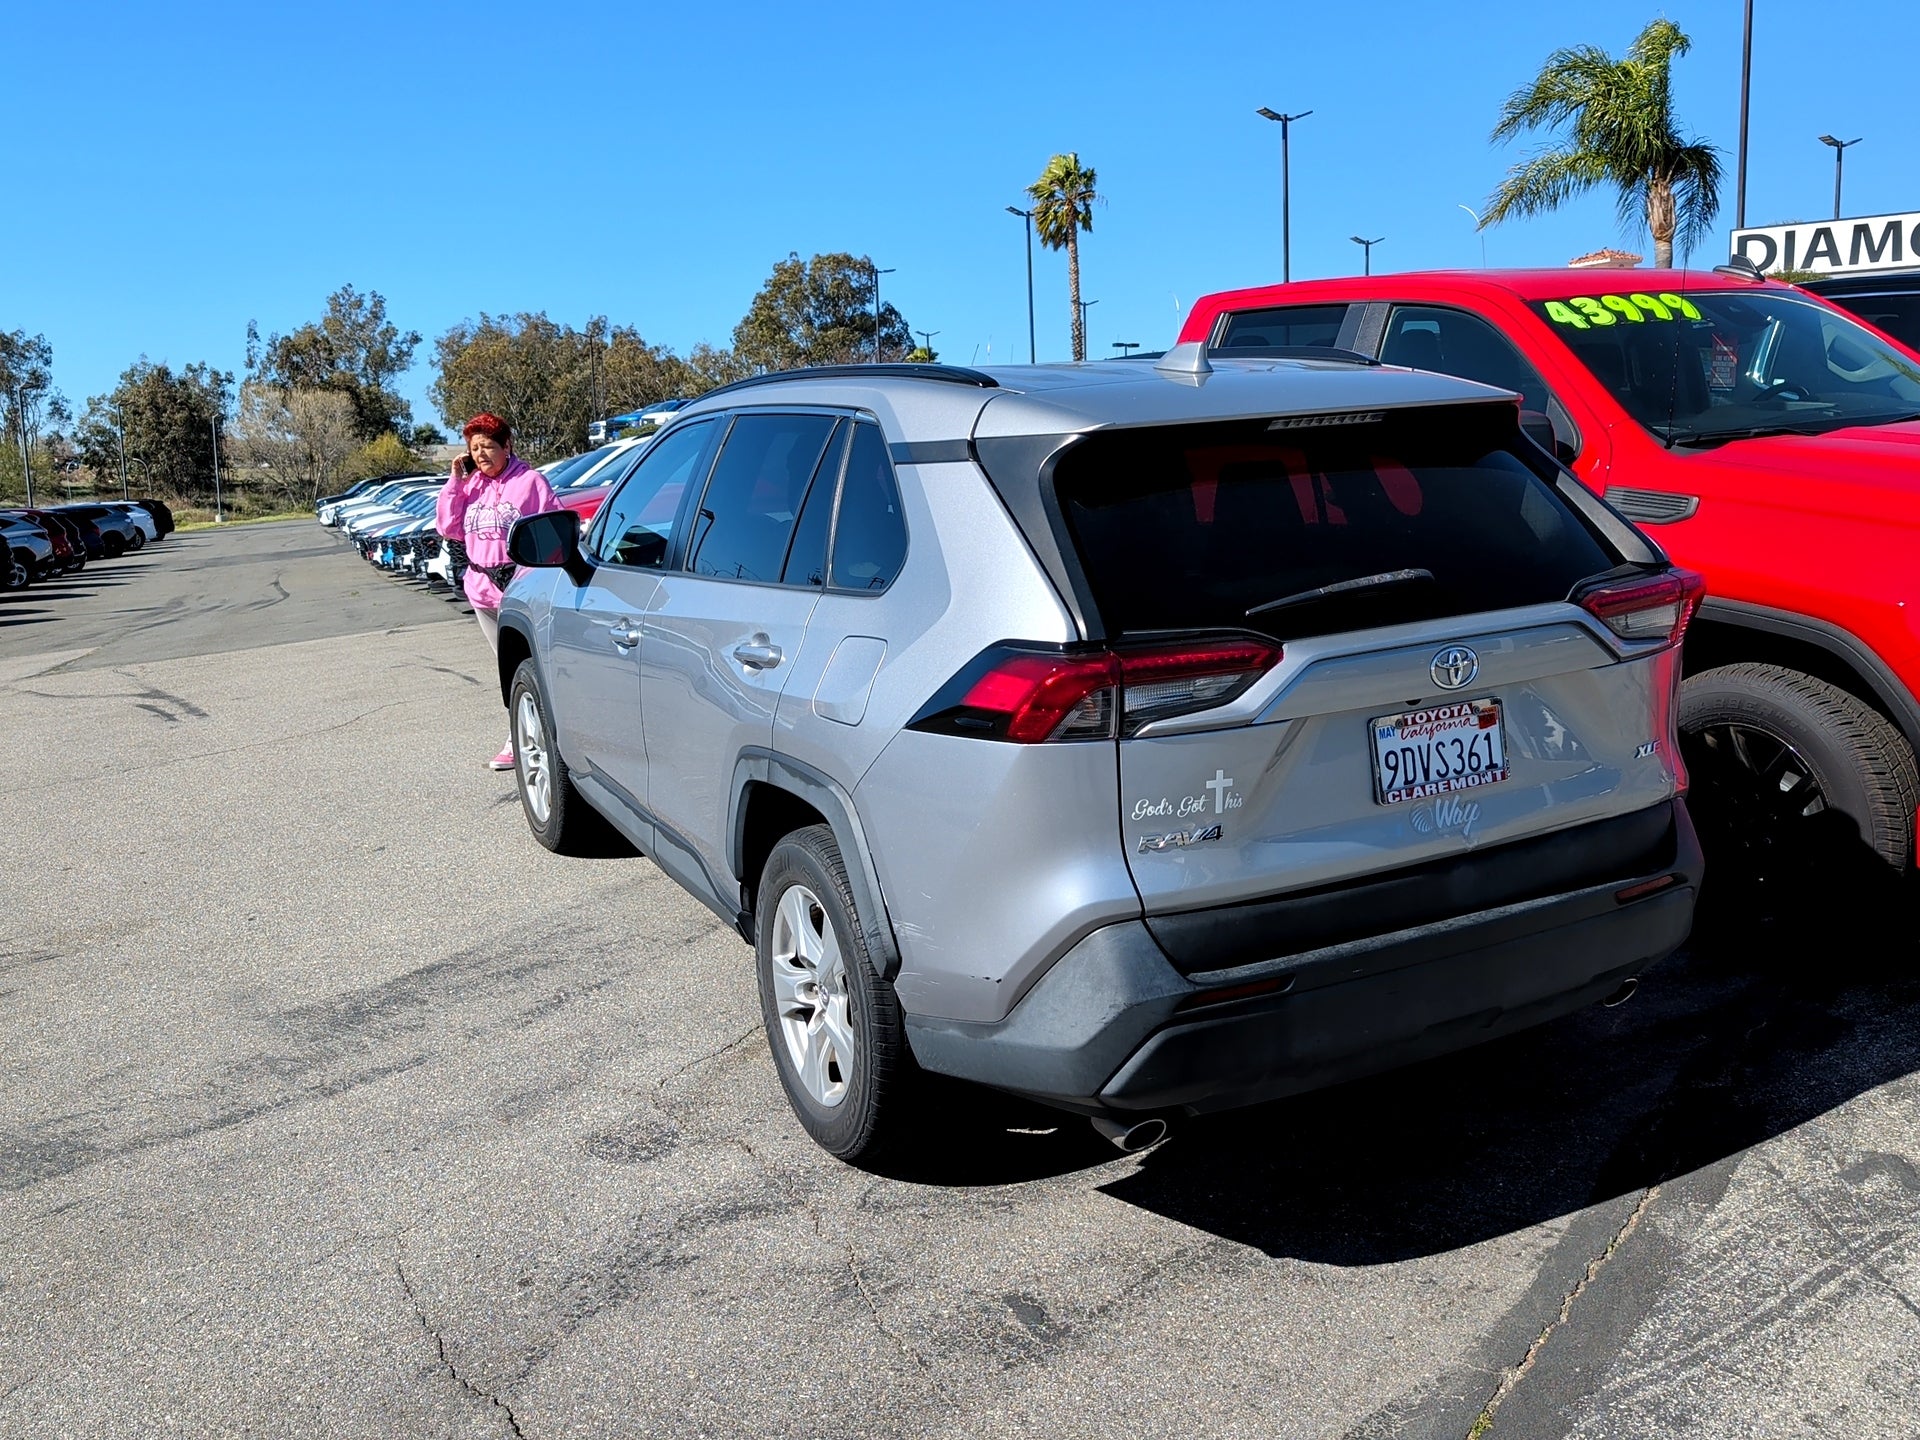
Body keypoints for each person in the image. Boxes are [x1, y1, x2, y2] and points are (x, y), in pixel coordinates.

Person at [437, 412, 560, 770]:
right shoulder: (470, 485)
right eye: (474, 448)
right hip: (482, 590)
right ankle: (520, 734)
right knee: (509, 669)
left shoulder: (531, 482)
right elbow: (448, 527)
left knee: (531, 665)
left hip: (520, 589)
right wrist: (455, 483)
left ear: (507, 446)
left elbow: (552, 531)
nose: (481, 454)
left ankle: (545, 734)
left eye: (488, 446)